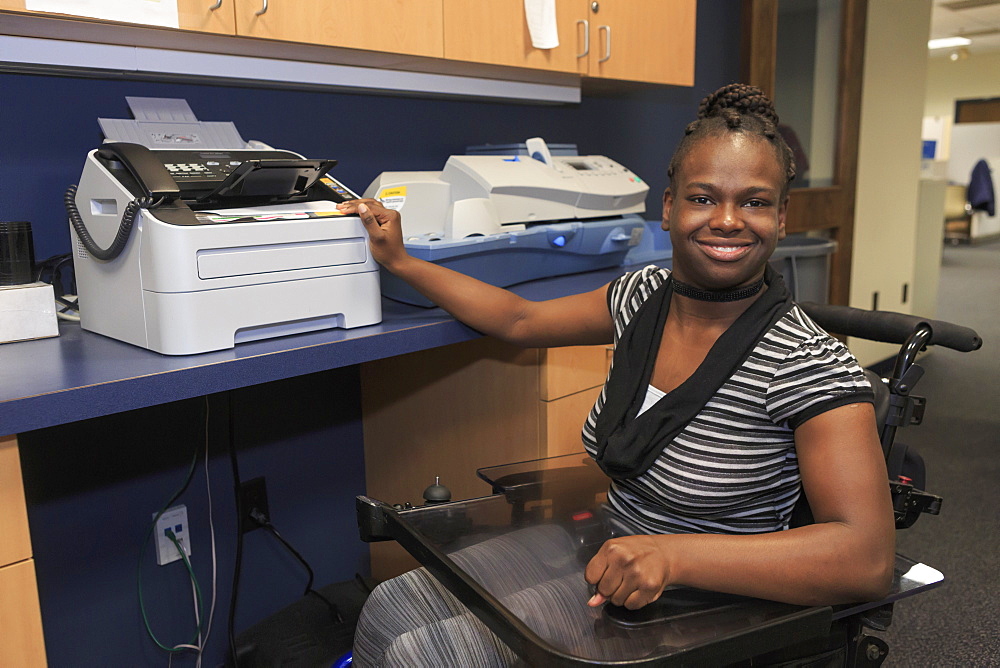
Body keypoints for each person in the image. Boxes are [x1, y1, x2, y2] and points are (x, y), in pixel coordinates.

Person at [337, 83, 896, 666]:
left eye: (754, 202)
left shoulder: (807, 363)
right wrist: (402, 261)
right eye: (703, 197)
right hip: (609, 544)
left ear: (782, 216)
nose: (728, 220)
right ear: (669, 206)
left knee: (427, 657)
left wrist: (675, 557)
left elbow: (866, 560)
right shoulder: (642, 298)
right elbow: (520, 319)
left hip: (708, 597)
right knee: (389, 609)